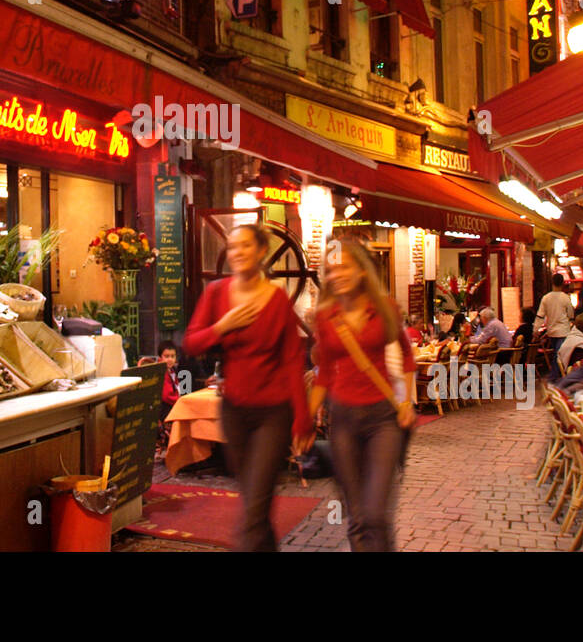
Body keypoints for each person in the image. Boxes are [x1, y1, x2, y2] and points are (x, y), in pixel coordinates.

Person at [183, 224, 311, 552]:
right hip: (234, 411)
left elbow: (293, 362)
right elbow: (192, 343)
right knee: (254, 500)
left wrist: (302, 419)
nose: (237, 253)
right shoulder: (216, 293)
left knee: (254, 505)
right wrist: (222, 326)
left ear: (261, 252)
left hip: (274, 413)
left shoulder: (277, 299)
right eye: (232, 246)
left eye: (245, 246)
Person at [300, 241, 415, 553]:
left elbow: (406, 357)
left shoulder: (385, 308)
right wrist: (306, 421)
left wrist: (406, 401)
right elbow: (323, 372)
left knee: (376, 512)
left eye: (344, 267)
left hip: (383, 420)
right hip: (344, 422)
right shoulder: (326, 317)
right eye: (332, 269)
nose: (338, 275)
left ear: (362, 270)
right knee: (358, 515)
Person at [533, 273, 575, 382]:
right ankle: (556, 377)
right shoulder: (565, 298)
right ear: (562, 283)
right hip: (564, 330)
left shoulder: (546, 298)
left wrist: (535, 330)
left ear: (552, 282)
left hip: (551, 331)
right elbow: (571, 314)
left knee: (556, 353)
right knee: (559, 354)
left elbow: (540, 315)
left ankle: (555, 376)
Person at [159, 341, 181, 422]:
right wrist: (181, 401)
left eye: (173, 356)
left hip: (174, 405)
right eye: (166, 356)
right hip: (165, 410)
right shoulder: (161, 371)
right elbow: (167, 396)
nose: (170, 359)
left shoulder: (172, 370)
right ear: (160, 357)